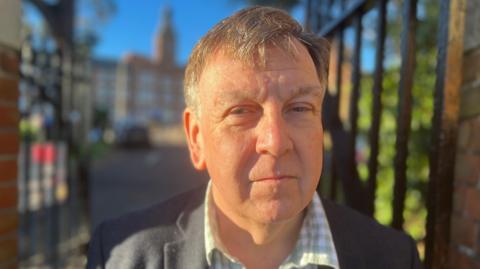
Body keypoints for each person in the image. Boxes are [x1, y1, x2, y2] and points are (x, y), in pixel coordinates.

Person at [87, 6, 422, 269]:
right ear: (196, 138)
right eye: (241, 112)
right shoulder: (121, 256)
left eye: (300, 108)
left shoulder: (392, 258)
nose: (275, 142)